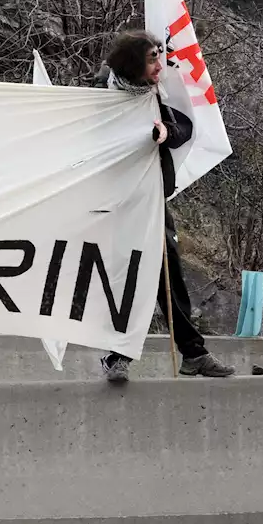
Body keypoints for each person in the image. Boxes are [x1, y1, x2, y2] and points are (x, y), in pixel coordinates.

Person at [92, 31, 236, 383]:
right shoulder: (104, 94)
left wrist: (165, 133)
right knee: (131, 275)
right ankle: (118, 354)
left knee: (168, 273)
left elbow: (184, 126)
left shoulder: (157, 92)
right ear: (132, 64)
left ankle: (192, 354)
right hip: (119, 200)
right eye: (153, 59)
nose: (161, 65)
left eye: (160, 56)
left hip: (152, 197)